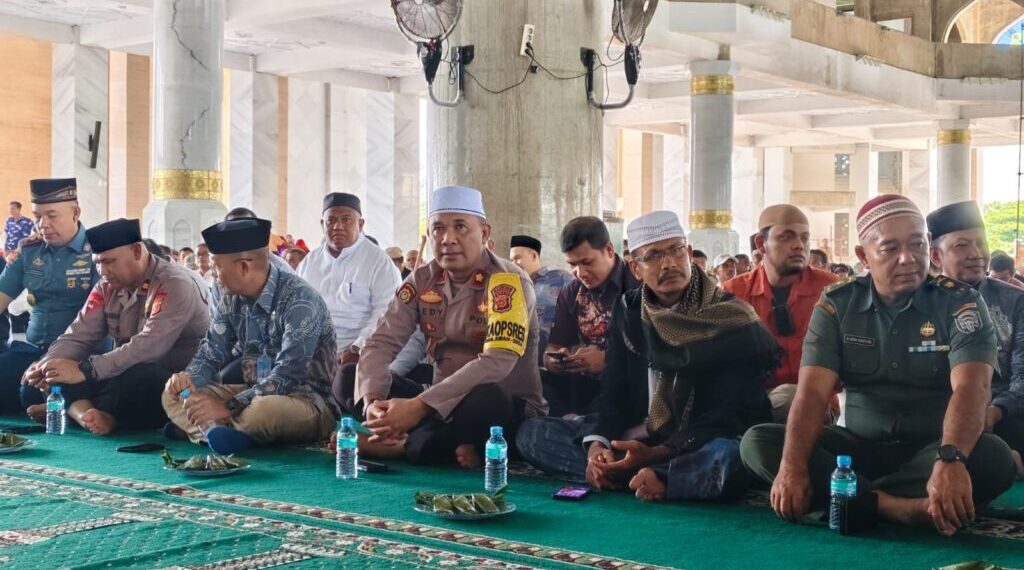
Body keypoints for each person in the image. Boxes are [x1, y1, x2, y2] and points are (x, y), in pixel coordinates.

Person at [740, 194, 1016, 536]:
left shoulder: (961, 303)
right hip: (857, 450)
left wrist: (950, 459)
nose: (908, 258)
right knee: (758, 442)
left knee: (994, 458)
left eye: (917, 244)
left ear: (929, 244)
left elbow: (972, 387)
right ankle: (900, 508)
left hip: (933, 450)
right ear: (863, 256)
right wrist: (793, 465)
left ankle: (852, 499)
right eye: (890, 248)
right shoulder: (837, 305)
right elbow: (812, 393)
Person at [517, 211, 776, 502]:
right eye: (653, 256)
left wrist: (660, 452)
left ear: (689, 254)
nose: (668, 263)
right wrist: (597, 445)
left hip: (699, 437)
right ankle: (633, 473)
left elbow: (734, 412)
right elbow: (613, 391)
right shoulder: (629, 311)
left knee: (731, 456)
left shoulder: (730, 317)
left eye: (676, 251)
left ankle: (656, 474)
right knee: (532, 433)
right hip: (639, 431)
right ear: (636, 268)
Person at [352, 186, 546, 467]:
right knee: (349, 376)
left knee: (487, 398)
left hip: (500, 404)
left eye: (460, 227)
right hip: (437, 402)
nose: (447, 239)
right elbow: (381, 342)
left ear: (485, 233)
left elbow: (497, 363)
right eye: (438, 229)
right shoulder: (422, 279)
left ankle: (404, 445)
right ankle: (408, 435)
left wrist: (418, 407)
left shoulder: (508, 281)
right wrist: (374, 403)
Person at [162, 218, 338, 455]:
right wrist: (187, 380)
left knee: (262, 412)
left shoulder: (301, 300)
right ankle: (228, 434)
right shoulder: (231, 298)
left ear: (244, 267)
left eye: (216, 267)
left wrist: (228, 406)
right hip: (251, 393)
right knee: (171, 395)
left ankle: (208, 430)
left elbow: (289, 374)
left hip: (305, 401)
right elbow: (211, 351)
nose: (213, 275)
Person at [21, 218, 210, 435]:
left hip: (172, 381)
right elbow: (79, 334)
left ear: (137, 251)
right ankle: (89, 414)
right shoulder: (106, 286)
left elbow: (148, 348)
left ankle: (77, 410)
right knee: (37, 385)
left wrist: (85, 370)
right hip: (119, 371)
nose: (102, 270)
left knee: (139, 378)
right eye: (97, 263)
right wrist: (46, 365)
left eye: (108, 262)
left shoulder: (174, 283)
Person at [928, 201, 1024, 475]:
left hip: (1003, 413)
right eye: (962, 245)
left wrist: (994, 411)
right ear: (936, 255)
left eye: (981, 243)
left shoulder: (1016, 301)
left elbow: (1021, 376)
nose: (977, 254)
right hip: (937, 414)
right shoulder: (919, 302)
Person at [723, 205, 837, 422]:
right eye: (786, 237)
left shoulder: (831, 290)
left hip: (815, 402)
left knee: (788, 399)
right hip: (752, 399)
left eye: (804, 238)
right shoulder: (735, 292)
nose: (799, 245)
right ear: (761, 244)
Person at [0, 179, 98, 414]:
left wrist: (53, 359)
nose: (43, 224)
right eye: (37, 217)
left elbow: (98, 318)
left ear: (75, 213)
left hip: (79, 356)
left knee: (32, 391)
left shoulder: (97, 251)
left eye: (52, 216)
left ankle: (71, 410)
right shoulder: (29, 250)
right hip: (32, 350)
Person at [544, 217, 639, 417]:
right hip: (582, 390)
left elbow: (654, 355)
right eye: (572, 265)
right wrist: (556, 360)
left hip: (630, 392)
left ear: (609, 250)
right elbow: (552, 347)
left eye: (587, 262)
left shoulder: (637, 284)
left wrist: (607, 361)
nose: (581, 273)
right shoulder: (571, 292)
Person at [297, 193, 401, 361]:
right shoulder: (310, 261)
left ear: (360, 224)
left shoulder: (378, 261)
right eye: (331, 221)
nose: (338, 226)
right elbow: (296, 306)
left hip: (359, 355)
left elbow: (386, 312)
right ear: (322, 224)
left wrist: (357, 348)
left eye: (346, 220)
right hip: (311, 353)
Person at [509, 234, 573, 360]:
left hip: (554, 357)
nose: (513, 264)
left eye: (517, 258)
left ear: (534, 255)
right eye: (511, 260)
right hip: (521, 360)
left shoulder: (561, 278)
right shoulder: (513, 287)